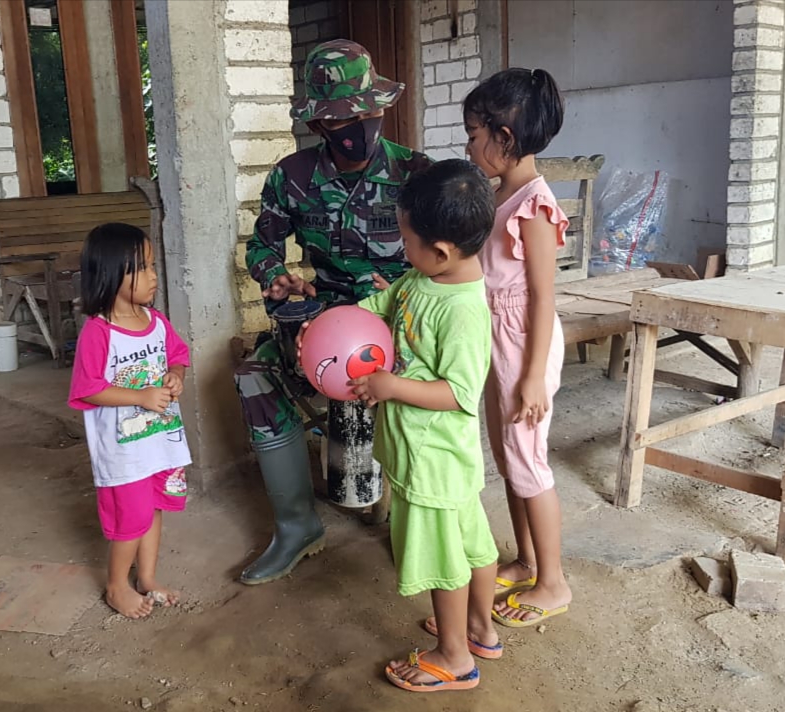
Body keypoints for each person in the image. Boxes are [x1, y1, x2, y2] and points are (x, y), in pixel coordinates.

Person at [235, 39, 433, 585]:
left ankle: (416, 523)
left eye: (367, 112)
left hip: (404, 324)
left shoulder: (417, 175)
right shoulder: (293, 176)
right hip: (322, 321)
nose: (359, 124)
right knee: (255, 375)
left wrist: (400, 287)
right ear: (320, 124)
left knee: (422, 394)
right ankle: (296, 527)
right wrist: (272, 273)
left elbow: (453, 260)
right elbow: (262, 245)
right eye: (343, 117)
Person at [350, 159, 499, 692]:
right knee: (474, 545)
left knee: (444, 559)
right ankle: (480, 628)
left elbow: (460, 392)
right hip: (435, 458)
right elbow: (386, 303)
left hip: (432, 459)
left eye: (406, 239)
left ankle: (454, 656)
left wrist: (391, 386)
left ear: (441, 251)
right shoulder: (424, 278)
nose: (401, 248)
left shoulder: (462, 311)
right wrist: (342, 326)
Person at [455, 67, 573, 628]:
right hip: (496, 338)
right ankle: (527, 560)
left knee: (528, 459)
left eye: (474, 132)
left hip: (525, 341)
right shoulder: (502, 193)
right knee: (508, 457)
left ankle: (553, 582)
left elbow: (543, 300)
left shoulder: (536, 204)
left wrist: (530, 376)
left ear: (504, 138)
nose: (469, 143)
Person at [68, 223, 191, 619]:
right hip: (123, 453)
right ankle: (117, 586)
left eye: (153, 265)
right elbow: (87, 388)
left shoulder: (155, 321)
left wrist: (176, 376)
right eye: (142, 267)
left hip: (159, 444)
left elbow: (178, 355)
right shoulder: (99, 332)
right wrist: (139, 396)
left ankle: (148, 578)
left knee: (153, 509)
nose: (154, 275)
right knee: (131, 520)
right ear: (110, 273)